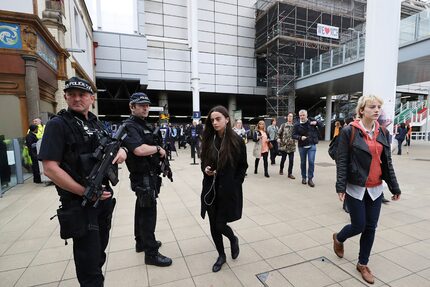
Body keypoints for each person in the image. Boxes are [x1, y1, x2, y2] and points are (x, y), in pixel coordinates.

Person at [39, 76, 127, 286]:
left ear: (91, 98)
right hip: (80, 204)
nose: (78, 99)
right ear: (65, 96)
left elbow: (113, 148)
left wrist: (123, 151)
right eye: (72, 95)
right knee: (88, 264)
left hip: (103, 203)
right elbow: (50, 168)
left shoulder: (96, 124)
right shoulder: (57, 125)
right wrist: (84, 191)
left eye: (83, 95)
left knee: (98, 255)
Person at [333, 95, 401, 285]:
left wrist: (394, 186)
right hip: (356, 187)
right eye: (372, 106)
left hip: (376, 188)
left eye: (379, 106)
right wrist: (340, 186)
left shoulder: (383, 132)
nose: (377, 110)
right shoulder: (349, 131)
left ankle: (363, 263)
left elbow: (387, 162)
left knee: (371, 227)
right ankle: (339, 237)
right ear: (362, 110)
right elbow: (342, 160)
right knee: (358, 225)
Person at [122, 92, 172, 267]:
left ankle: (141, 242)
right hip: (143, 177)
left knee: (141, 210)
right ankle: (151, 253)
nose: (145, 108)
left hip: (149, 175)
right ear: (132, 106)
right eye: (141, 105)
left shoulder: (143, 125)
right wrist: (158, 148)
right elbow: (139, 150)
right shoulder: (129, 126)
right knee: (149, 214)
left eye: (147, 105)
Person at [200, 105, 248, 272]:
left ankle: (233, 239)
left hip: (228, 190)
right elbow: (203, 163)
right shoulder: (208, 140)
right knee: (213, 225)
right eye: (212, 120)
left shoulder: (237, 141)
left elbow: (243, 166)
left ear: (227, 119)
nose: (214, 122)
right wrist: (206, 169)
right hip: (211, 190)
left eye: (218, 119)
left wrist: (236, 183)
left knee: (220, 225)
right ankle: (221, 255)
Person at [292, 109, 322, 187]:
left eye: (303, 115)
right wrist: (300, 137)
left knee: (311, 161)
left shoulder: (312, 120)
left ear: (306, 115)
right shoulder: (296, 125)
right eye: (300, 115)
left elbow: (321, 125)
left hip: (312, 144)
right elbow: (293, 135)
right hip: (302, 146)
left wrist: (317, 123)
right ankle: (303, 177)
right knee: (303, 162)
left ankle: (310, 179)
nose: (302, 117)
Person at [278, 112, 296, 178]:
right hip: (284, 146)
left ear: (292, 118)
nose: (290, 117)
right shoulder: (283, 125)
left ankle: (290, 173)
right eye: (289, 116)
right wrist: (278, 139)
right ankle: (281, 169)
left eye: (291, 116)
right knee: (283, 159)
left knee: (291, 160)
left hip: (292, 146)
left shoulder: (294, 126)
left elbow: (297, 134)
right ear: (287, 117)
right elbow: (278, 133)